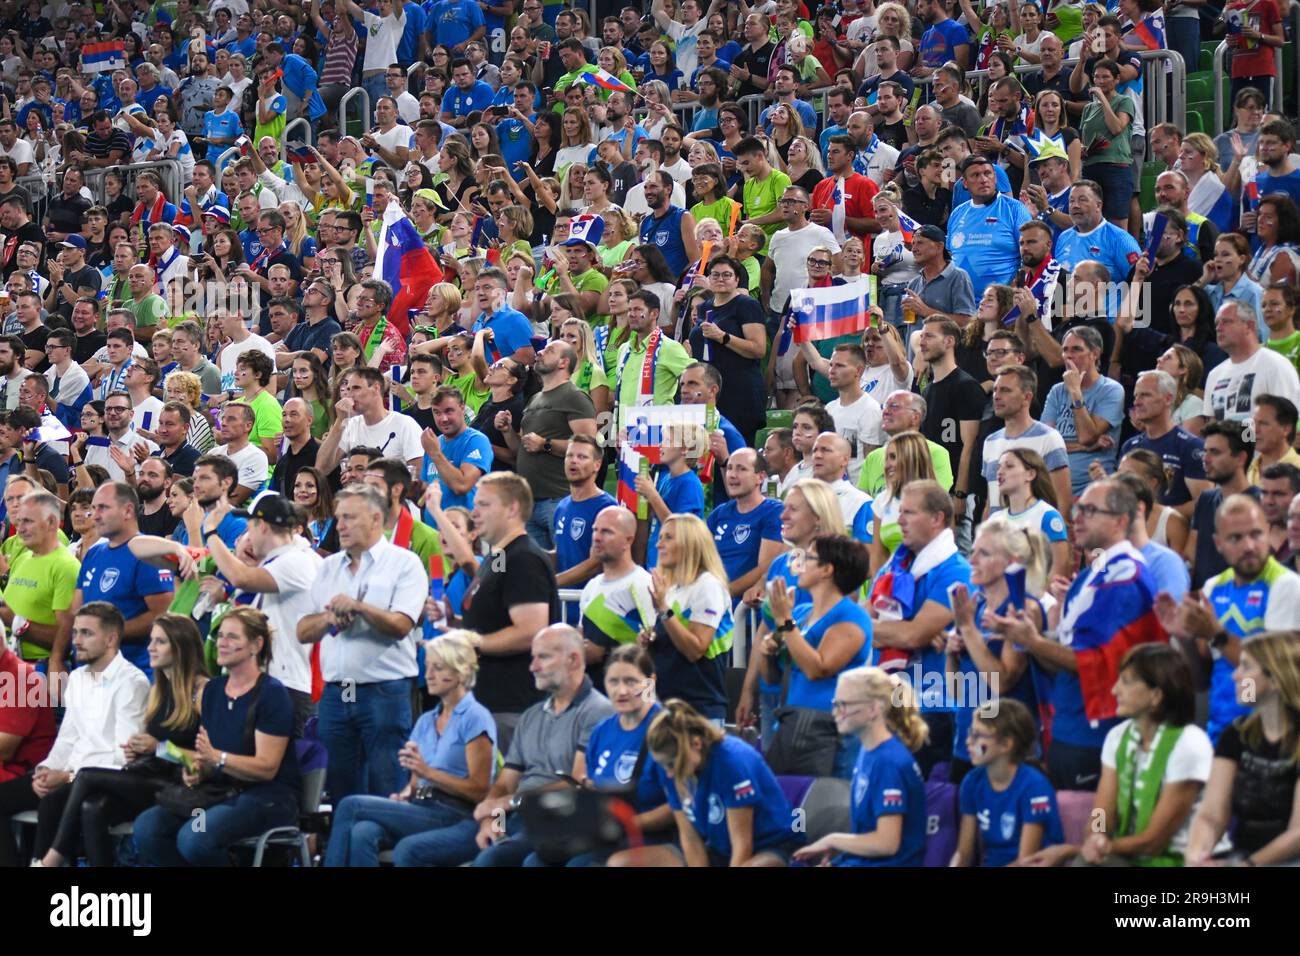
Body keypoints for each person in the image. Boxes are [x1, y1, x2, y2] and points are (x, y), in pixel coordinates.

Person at [996, 479, 1166, 791]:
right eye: (1077, 508)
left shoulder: (1124, 576)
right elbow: (1065, 652)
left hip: (1097, 731)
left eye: (1090, 510)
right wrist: (1032, 635)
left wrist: (1033, 640)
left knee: (1087, 828)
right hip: (1068, 721)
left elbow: (1099, 662)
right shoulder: (1091, 575)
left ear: (1121, 521)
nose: (1077, 517)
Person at [133, 607, 301, 867]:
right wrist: (201, 769)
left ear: (256, 645)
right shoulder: (212, 691)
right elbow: (207, 755)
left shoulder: (271, 693)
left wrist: (218, 759)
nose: (222, 642)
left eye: (232, 637)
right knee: (147, 828)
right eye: (220, 635)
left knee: (195, 837)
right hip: (220, 792)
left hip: (267, 797)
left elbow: (266, 768)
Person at [36, 614, 206, 868]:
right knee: (92, 808)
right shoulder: (157, 691)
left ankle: (50, 859)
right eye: (151, 640)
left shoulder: (202, 692)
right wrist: (137, 751)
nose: (150, 647)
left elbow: (203, 760)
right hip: (147, 774)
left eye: (159, 642)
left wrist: (159, 748)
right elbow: (150, 750)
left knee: (85, 776)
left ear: (181, 646)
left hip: (181, 782)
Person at [1025, 644, 1213, 867]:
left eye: (1126, 682)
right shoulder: (1117, 736)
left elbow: (1153, 842)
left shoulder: (1190, 743)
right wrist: (1095, 837)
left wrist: (1084, 849)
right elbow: (1101, 813)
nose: (1114, 691)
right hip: (1124, 856)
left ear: (1156, 695)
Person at [298, 485, 427, 805]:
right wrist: (329, 619)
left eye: (349, 518)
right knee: (341, 791)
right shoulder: (327, 567)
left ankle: (381, 851)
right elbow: (302, 630)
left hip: (385, 690)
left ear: (375, 519)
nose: (339, 525)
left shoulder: (405, 563)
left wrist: (359, 607)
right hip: (335, 693)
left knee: (388, 788)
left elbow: (401, 625)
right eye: (339, 517)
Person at [324, 630, 497, 867]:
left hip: (456, 813)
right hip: (422, 807)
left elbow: (480, 790)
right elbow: (416, 782)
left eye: (438, 668)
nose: (429, 675)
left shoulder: (475, 717)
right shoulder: (426, 720)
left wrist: (429, 773)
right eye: (427, 666)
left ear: (460, 672)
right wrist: (405, 793)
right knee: (363, 831)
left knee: (350, 805)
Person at [0, 602, 148, 868]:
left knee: (53, 802)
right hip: (68, 773)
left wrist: (67, 776)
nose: (76, 640)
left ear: (111, 638)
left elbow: (123, 758)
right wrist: (46, 770)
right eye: (75, 632)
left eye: (86, 633)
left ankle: (42, 862)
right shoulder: (77, 678)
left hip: (106, 781)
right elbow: (67, 738)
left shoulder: (132, 682)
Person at [455, 624, 614, 867]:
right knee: (487, 850)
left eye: (543, 657)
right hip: (517, 818)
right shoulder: (530, 716)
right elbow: (504, 785)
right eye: (533, 657)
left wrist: (510, 802)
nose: (533, 666)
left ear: (572, 660)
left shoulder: (598, 711)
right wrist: (493, 823)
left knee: (493, 860)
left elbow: (576, 782)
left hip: (560, 820)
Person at [1160, 494, 1300, 745]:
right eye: (1236, 538)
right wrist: (1184, 636)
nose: (1248, 545)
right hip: (1219, 731)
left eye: (1255, 534)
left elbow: (1275, 676)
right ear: (1218, 544)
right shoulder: (1213, 588)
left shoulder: (1286, 585)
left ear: (1267, 533)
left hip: (1266, 734)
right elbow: (1202, 677)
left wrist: (1215, 634)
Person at [524, 643, 671, 867]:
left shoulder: (667, 731)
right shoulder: (602, 731)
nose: (621, 691)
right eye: (614, 682)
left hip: (651, 836)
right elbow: (596, 786)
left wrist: (629, 822)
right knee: (535, 861)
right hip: (606, 833)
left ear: (650, 683)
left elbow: (681, 805)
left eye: (630, 681)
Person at [612, 698, 798, 867]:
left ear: (696, 744)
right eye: (663, 765)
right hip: (716, 848)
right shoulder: (671, 767)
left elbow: (742, 845)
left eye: (671, 764)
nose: (668, 773)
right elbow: (690, 839)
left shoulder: (732, 761)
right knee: (620, 863)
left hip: (770, 847)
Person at [869, 480, 971, 773]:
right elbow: (865, 618)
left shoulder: (955, 571)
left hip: (933, 708)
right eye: (899, 512)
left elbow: (913, 635)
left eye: (909, 513)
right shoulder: (895, 565)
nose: (899, 520)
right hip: (890, 702)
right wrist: (883, 629)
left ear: (937, 518)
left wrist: (869, 629)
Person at [460, 472, 560, 747]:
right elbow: (493, 622)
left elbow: (530, 632)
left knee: (507, 789)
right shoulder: (499, 557)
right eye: (475, 504)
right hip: (488, 700)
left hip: (512, 705)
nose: (474, 512)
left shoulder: (524, 558)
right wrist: (455, 624)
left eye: (484, 505)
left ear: (512, 508)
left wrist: (472, 642)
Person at [762, 534, 875, 778]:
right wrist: (769, 651)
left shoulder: (851, 616)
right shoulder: (802, 613)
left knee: (820, 812)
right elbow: (773, 678)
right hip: (791, 723)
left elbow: (818, 668)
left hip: (829, 732)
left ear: (826, 569)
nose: (801, 564)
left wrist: (784, 622)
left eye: (809, 557)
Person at [792, 666, 928, 867]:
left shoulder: (889, 763)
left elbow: (887, 843)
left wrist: (833, 840)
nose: (836, 713)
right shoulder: (868, 751)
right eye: (835, 704)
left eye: (843, 705)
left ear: (873, 709)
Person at [1185, 631, 1300, 866]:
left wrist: (1246, 865)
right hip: (1244, 855)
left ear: (1276, 679)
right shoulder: (1236, 734)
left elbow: (1297, 834)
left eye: (1246, 668)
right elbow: (1211, 815)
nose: (1235, 676)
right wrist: (1197, 856)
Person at [947, 517, 1049, 778]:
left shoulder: (1023, 609)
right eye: (973, 552)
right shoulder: (975, 607)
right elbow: (956, 691)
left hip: (1008, 747)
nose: (972, 561)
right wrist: (951, 652)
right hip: (967, 742)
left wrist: (969, 631)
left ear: (1011, 562)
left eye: (984, 554)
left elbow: (1002, 682)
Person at [498, 340, 596, 549]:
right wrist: (507, 431)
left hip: (559, 499)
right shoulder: (534, 399)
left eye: (549, 350)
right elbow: (521, 450)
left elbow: (589, 448)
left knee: (567, 561)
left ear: (563, 363)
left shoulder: (575, 397)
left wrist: (546, 444)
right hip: (530, 502)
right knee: (539, 570)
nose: (540, 352)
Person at [71, 483, 174, 679]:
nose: (95, 515)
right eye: (93, 508)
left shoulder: (148, 554)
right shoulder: (94, 553)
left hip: (133, 674)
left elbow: (162, 615)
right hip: (89, 674)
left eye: (103, 507)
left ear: (127, 511)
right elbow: (76, 609)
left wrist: (106, 635)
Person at [952, 699, 1064, 867]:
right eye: (970, 733)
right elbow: (964, 852)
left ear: (1006, 744)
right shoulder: (971, 782)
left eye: (977, 735)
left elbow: (1026, 861)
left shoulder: (1035, 787)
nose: (968, 741)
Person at [0, 490, 80, 679]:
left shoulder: (66, 567)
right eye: (18, 522)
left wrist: (17, 623)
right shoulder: (23, 559)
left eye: (28, 521)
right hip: (12, 667)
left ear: (52, 522)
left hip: (41, 672)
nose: (20, 529)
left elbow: (67, 638)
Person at [1041, 326, 1126, 495]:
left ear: (1095, 353)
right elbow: (1045, 443)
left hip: (1091, 487)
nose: (1068, 355)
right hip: (1054, 486)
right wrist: (1085, 447)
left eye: (1076, 349)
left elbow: (1087, 436)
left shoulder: (1111, 390)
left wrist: (1075, 392)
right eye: (1065, 350)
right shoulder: (1057, 391)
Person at [579, 505, 655, 675]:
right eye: (595, 530)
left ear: (629, 540)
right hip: (595, 694)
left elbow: (655, 649)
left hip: (629, 693)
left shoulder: (643, 584)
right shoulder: (592, 586)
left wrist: (605, 653)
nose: (597, 537)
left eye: (607, 532)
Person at [1187, 420, 1258, 589]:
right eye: (1205, 451)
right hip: (1204, 603)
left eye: (1215, 452)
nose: (1206, 458)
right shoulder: (1205, 499)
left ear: (1240, 458)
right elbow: (1190, 556)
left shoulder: (1261, 505)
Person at [707, 449, 786, 601]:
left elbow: (765, 567)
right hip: (712, 606)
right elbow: (701, 556)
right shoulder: (720, 513)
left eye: (741, 469)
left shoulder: (773, 512)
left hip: (746, 612)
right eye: (729, 468)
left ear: (760, 477)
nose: (732, 475)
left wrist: (723, 593)